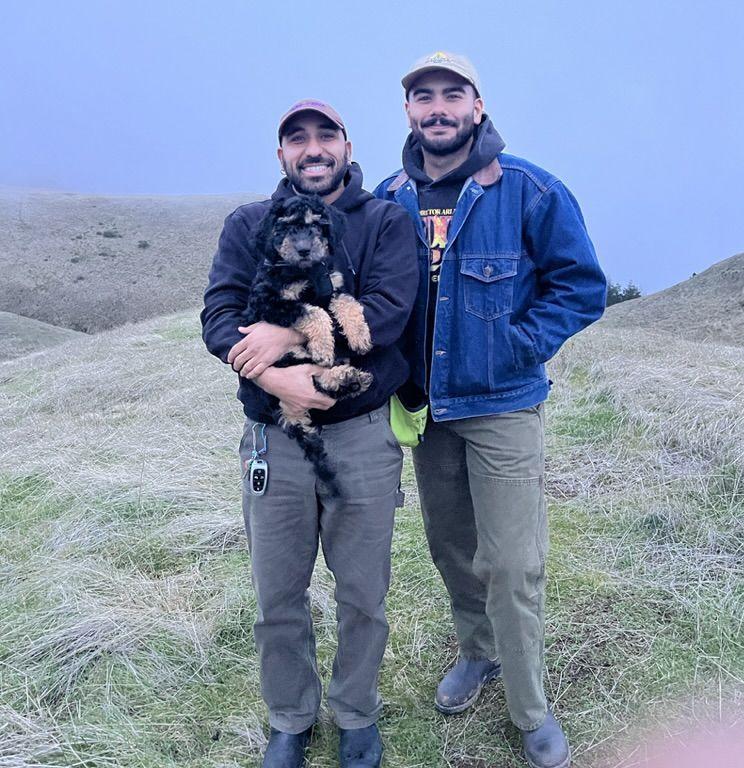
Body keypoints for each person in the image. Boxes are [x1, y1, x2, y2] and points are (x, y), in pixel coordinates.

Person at [374, 52, 607, 768]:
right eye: (424, 97)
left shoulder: (531, 189)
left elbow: (581, 285)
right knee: (452, 550)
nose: (438, 107)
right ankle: (477, 654)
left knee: (512, 560)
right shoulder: (387, 197)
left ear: (477, 106)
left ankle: (530, 707)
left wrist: (516, 345)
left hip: (503, 403)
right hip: (426, 411)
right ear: (409, 111)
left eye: (453, 94)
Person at [201, 99, 418, 768]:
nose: (313, 148)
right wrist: (282, 383)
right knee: (278, 596)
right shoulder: (247, 224)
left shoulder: (384, 221)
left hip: (361, 436)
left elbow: (387, 313)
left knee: (362, 594)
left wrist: (288, 335)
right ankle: (291, 719)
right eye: (298, 138)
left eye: (327, 135)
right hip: (274, 437)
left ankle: (356, 714)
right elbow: (218, 318)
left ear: (348, 147)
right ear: (282, 155)